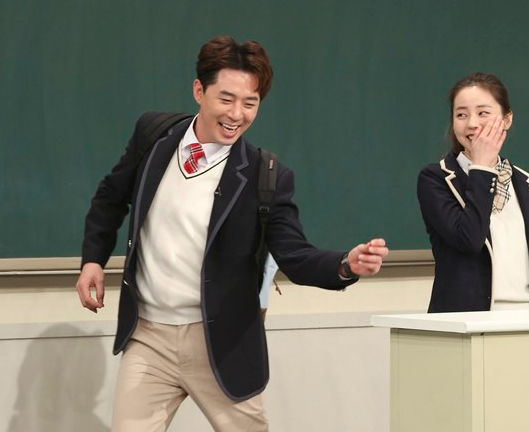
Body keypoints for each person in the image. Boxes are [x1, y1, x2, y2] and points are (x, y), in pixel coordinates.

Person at [76, 35, 389, 432]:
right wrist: (93, 259)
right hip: (148, 337)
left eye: (250, 103)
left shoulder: (265, 175)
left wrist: (345, 264)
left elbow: (295, 255)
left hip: (219, 341)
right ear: (199, 91)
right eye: (226, 99)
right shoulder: (154, 136)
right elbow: (110, 197)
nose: (236, 114)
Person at [417, 72, 529, 313]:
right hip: (468, 320)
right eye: (461, 115)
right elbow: (469, 240)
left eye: (483, 113)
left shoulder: (524, 182)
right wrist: (482, 169)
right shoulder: (436, 179)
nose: (472, 124)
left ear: (507, 119)